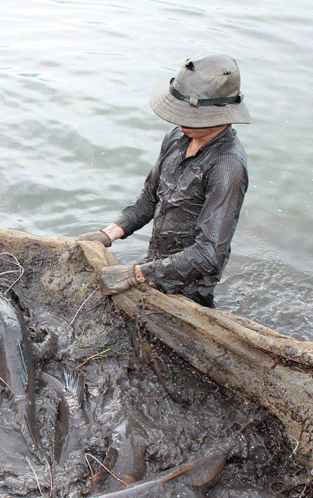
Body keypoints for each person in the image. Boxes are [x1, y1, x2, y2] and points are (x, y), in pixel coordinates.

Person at [78, 54, 250, 308]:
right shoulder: (177, 138)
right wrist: (107, 234)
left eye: (190, 117)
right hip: (155, 266)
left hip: (191, 289)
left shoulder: (227, 167)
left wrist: (136, 274)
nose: (182, 122)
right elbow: (149, 199)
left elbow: (209, 254)